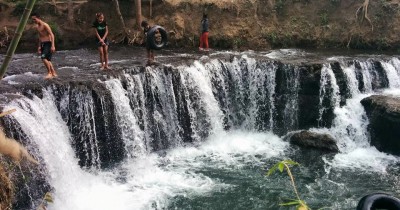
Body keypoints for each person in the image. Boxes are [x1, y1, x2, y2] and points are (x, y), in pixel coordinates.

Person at [31, 13, 57, 79]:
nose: (34, 21)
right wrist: (39, 46)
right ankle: (53, 72)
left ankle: (49, 73)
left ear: (38, 18)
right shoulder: (37, 27)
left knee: (43, 58)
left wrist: (53, 45)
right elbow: (40, 37)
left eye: (34, 19)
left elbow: (52, 34)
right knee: (48, 59)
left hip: (48, 43)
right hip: (43, 44)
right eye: (32, 20)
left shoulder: (45, 25)